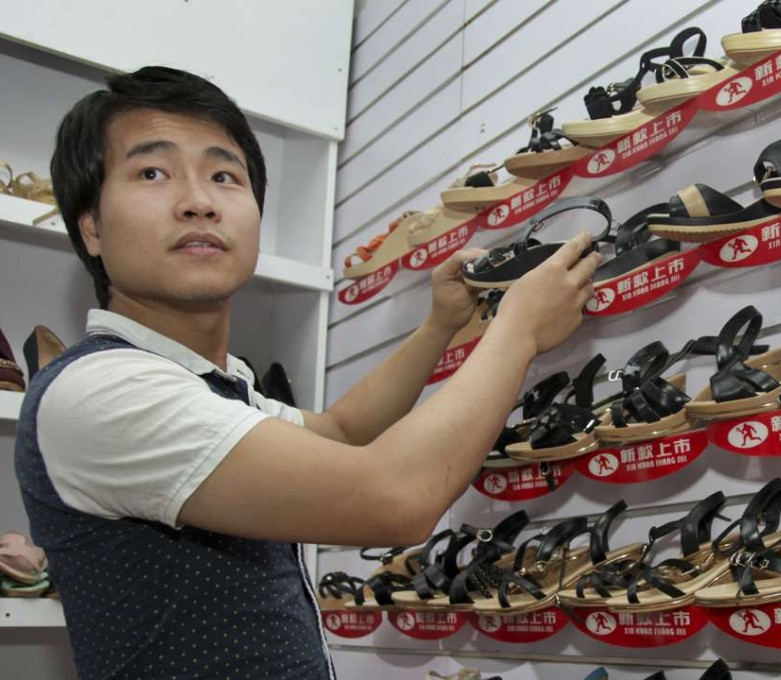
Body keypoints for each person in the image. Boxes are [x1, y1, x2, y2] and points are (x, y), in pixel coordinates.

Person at [15, 66, 598, 679]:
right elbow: (394, 498)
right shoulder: (102, 389)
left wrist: (439, 326)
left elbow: (343, 432)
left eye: (224, 176)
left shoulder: (209, 382)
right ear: (91, 225)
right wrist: (518, 330)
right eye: (153, 173)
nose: (199, 201)